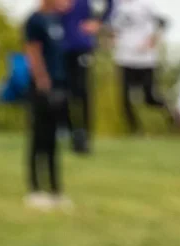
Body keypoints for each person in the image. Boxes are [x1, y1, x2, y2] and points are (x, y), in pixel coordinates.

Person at [24, 0, 71, 211]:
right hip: (42, 87)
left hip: (60, 84)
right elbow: (32, 52)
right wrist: (42, 79)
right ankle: (35, 188)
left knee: (53, 139)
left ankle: (55, 190)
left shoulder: (58, 20)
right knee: (39, 137)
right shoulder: (35, 21)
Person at [111, 0, 173, 136]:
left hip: (145, 59)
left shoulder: (146, 5)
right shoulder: (116, 5)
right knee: (124, 98)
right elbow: (111, 27)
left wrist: (152, 41)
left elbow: (162, 23)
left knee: (149, 97)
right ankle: (135, 130)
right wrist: (112, 39)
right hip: (124, 58)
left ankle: (171, 115)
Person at [61, 0, 110, 154]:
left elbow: (111, 4)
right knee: (62, 92)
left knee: (82, 92)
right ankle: (69, 131)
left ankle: (84, 135)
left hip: (81, 46)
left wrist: (98, 22)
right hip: (59, 46)